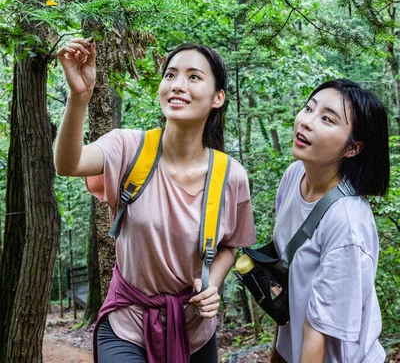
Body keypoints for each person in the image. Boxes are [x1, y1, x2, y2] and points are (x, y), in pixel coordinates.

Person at [55, 37, 256, 363]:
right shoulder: (129, 148)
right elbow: (68, 163)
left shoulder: (231, 177)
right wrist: (79, 97)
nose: (178, 85)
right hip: (127, 324)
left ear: (217, 97)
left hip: (194, 332)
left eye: (194, 77)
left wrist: (212, 286)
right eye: (171, 75)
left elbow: (230, 246)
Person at [271, 79, 390, 363]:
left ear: (353, 148)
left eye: (327, 119)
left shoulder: (347, 222)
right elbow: (289, 283)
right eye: (308, 109)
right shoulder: (293, 176)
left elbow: (317, 331)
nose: (307, 122)